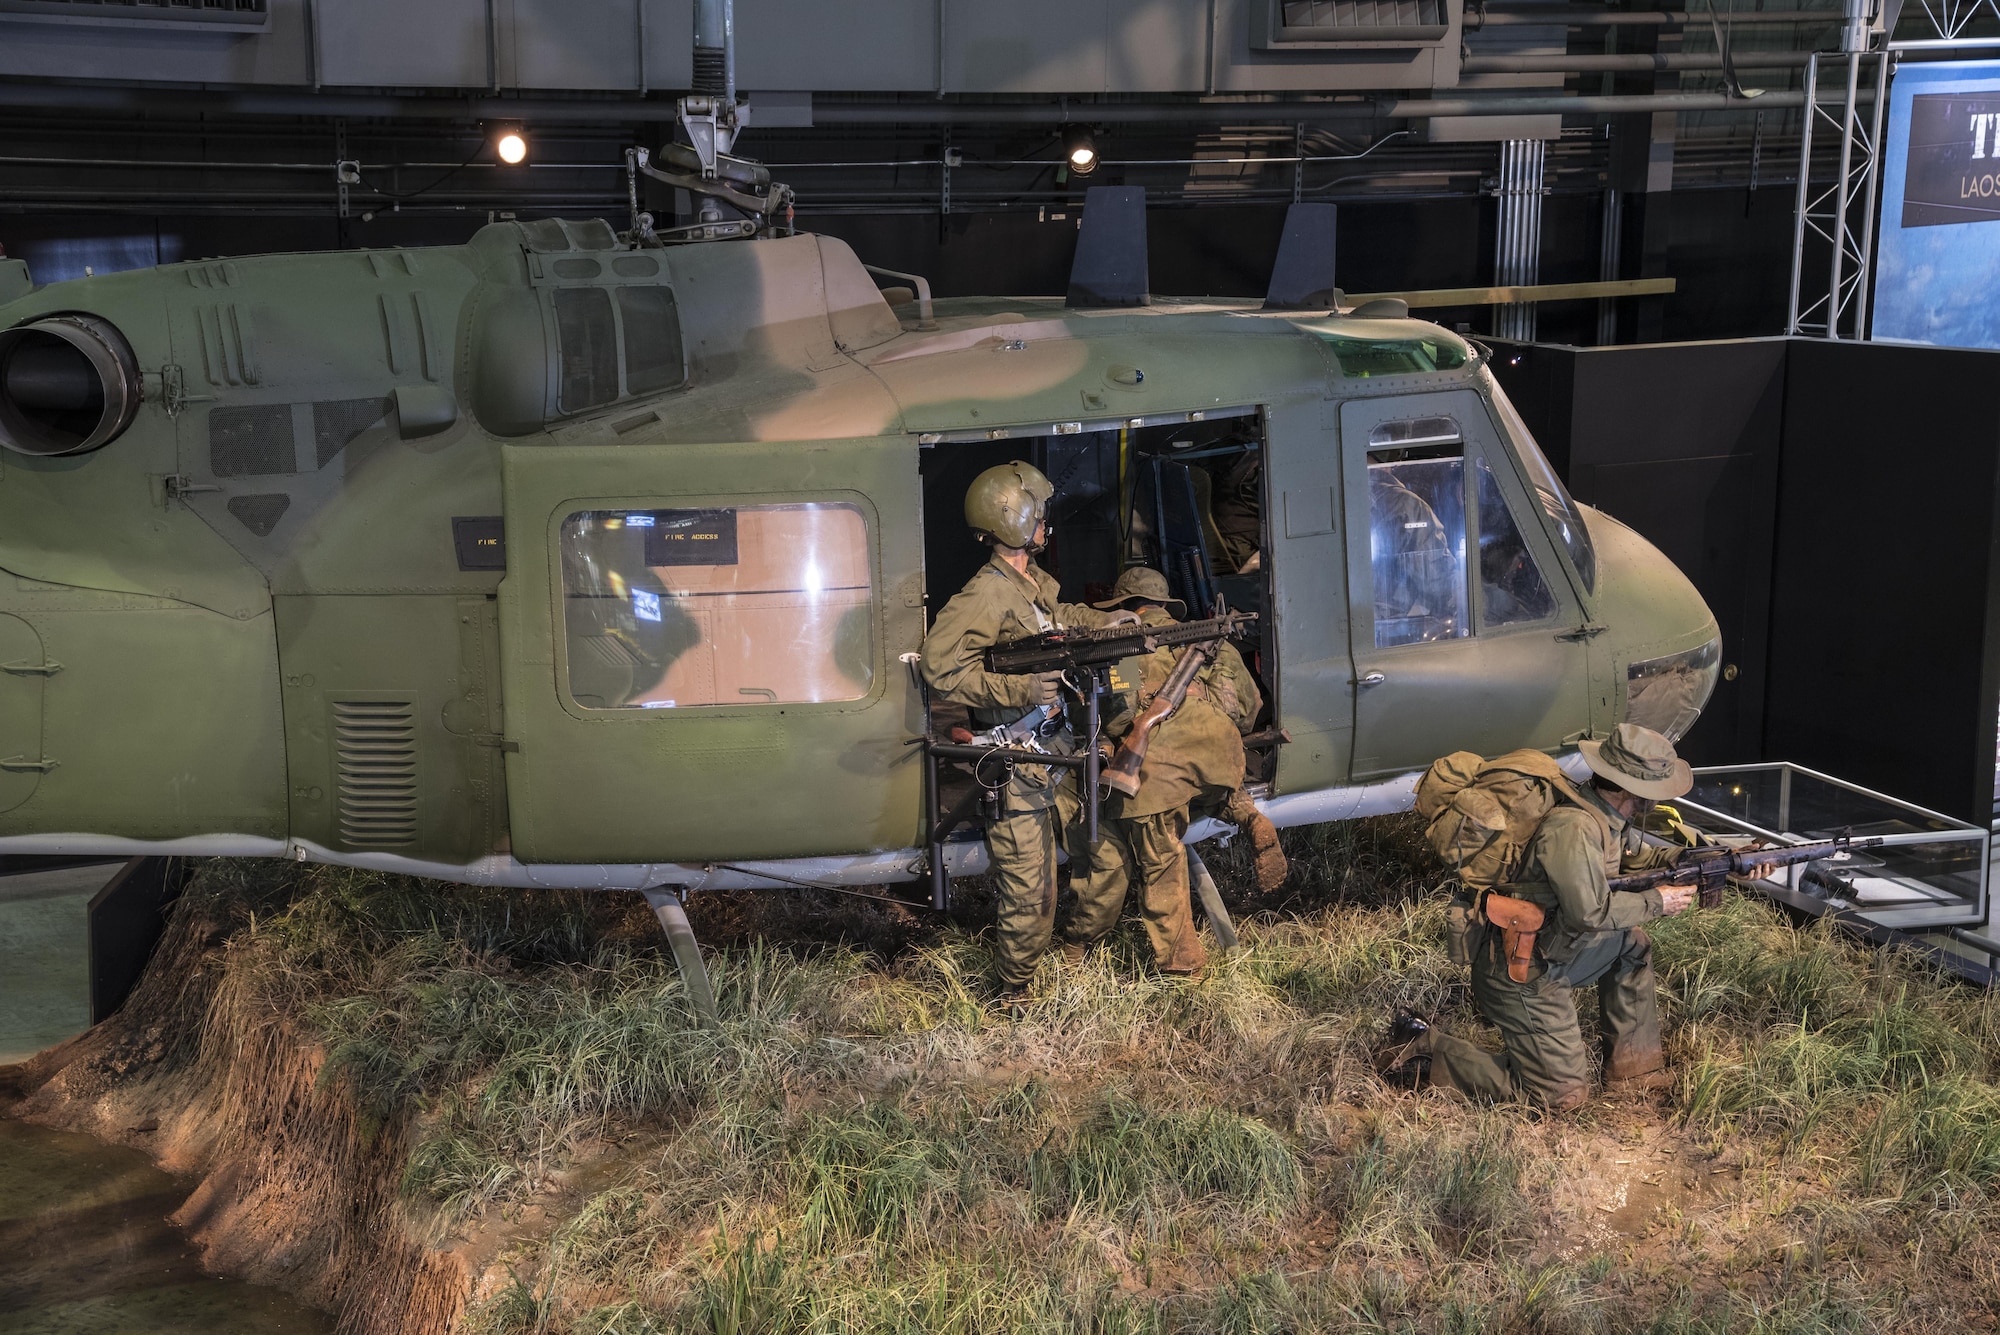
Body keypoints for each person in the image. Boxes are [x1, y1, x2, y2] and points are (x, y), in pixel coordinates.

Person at [1381, 723, 1769, 1110]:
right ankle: (1424, 1049)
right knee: (1559, 1097)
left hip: (1557, 951)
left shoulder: (1604, 817)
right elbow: (1590, 911)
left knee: (1631, 945)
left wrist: (1719, 861)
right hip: (1522, 972)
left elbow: (1634, 866)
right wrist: (1657, 902)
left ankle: (1636, 1072)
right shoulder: (1575, 827)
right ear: (1630, 788)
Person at [920, 460, 1123, 1001]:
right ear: (1016, 517)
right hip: (1018, 759)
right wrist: (1020, 693)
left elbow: (1060, 623)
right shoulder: (987, 593)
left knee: (1107, 860)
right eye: (1039, 511)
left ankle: (1077, 951)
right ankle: (1017, 995)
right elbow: (939, 666)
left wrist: (1118, 624)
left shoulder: (1029, 585)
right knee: (1030, 893)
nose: (1045, 521)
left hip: (1059, 749)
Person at [1060, 566, 1287, 977]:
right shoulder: (1207, 638)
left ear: (1125, 606)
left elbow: (1111, 719)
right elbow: (1249, 710)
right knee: (1207, 782)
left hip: (1159, 776)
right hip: (1219, 755)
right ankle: (1249, 815)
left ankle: (1183, 965)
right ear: (1166, 605)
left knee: (1160, 862)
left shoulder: (1120, 644)